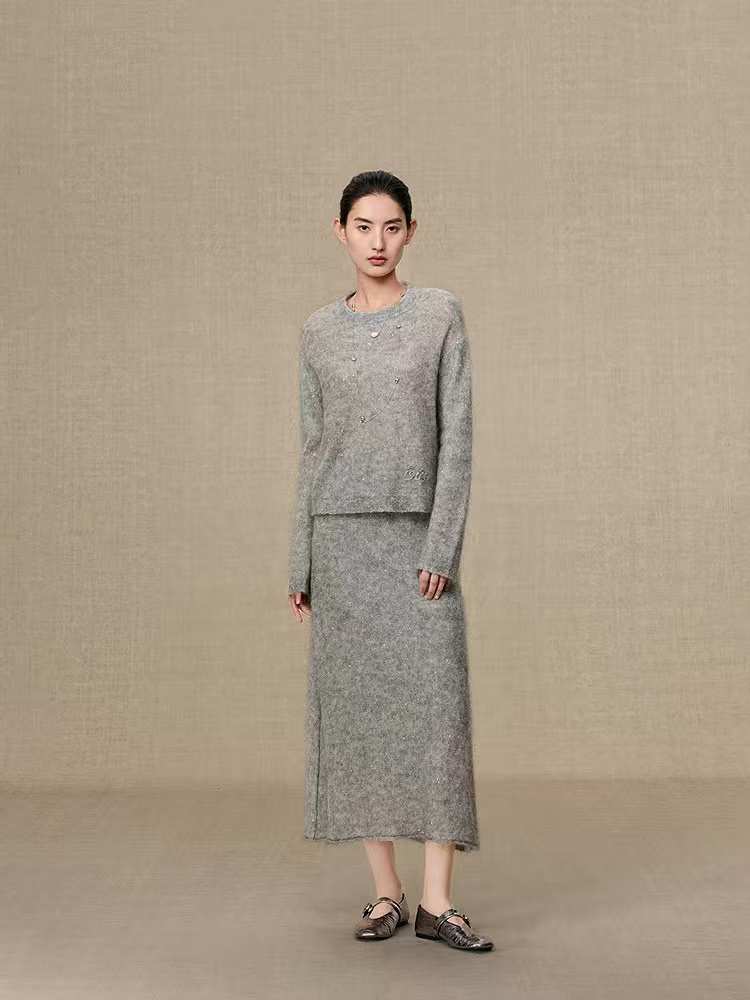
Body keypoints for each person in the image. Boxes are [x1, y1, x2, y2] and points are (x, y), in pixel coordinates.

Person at [287, 170, 493, 952]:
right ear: (340, 230)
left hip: (416, 544)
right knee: (361, 720)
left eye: (392, 226)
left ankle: (439, 902)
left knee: (437, 719)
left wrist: (443, 543)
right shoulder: (317, 331)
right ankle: (387, 893)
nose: (378, 241)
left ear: (411, 231)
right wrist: (300, 559)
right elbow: (312, 448)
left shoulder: (439, 314)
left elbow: (458, 439)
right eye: (364, 226)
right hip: (340, 543)